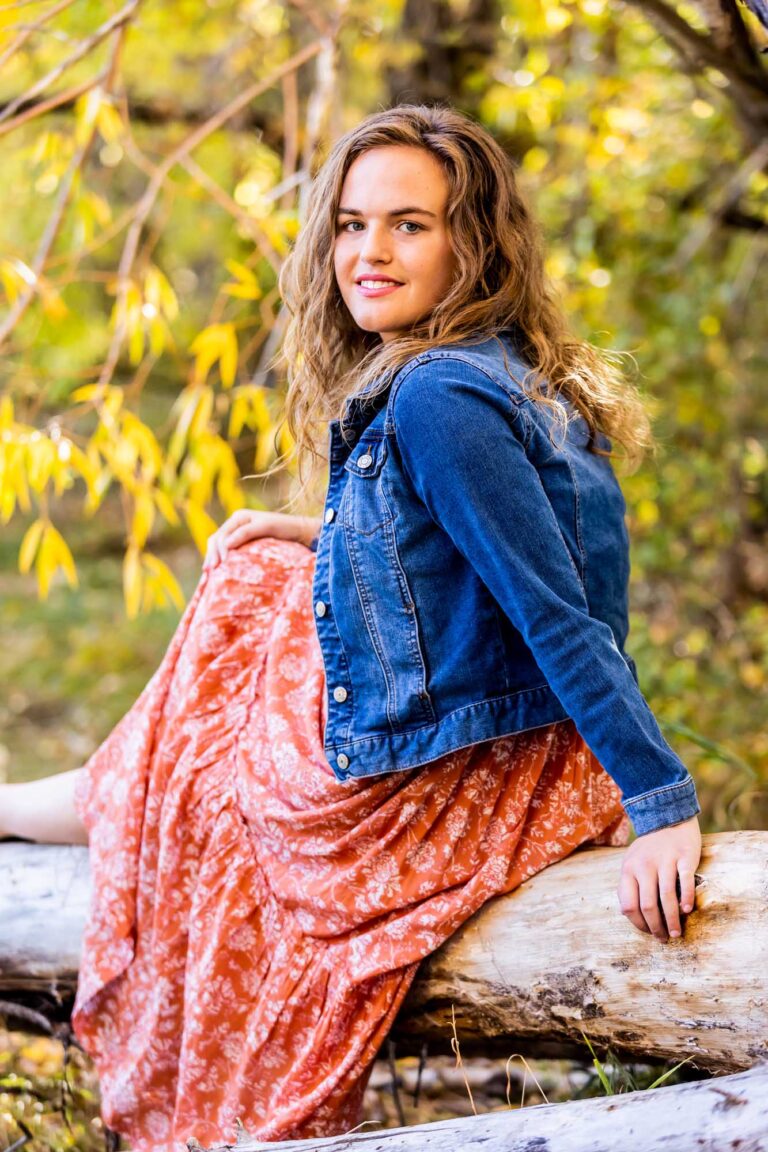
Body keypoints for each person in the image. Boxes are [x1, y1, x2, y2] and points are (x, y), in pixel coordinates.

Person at [0, 104, 702, 1149]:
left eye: (409, 225)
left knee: (214, 739)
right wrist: (298, 529)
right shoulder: (498, 369)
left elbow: (556, 615)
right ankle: (55, 801)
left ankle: (51, 806)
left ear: (475, 244)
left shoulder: (438, 400)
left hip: (474, 768)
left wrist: (662, 801)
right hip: (494, 729)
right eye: (350, 224)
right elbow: (439, 554)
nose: (368, 252)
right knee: (256, 570)